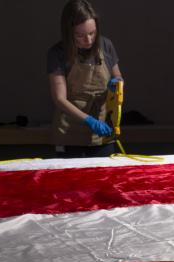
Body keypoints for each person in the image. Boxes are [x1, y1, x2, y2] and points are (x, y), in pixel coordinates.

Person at [47, 0, 123, 158]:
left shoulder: (106, 45)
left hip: (103, 131)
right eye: (80, 35)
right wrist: (89, 120)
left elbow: (118, 76)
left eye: (92, 33)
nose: (88, 40)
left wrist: (117, 83)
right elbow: (60, 99)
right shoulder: (57, 53)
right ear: (68, 32)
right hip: (70, 133)